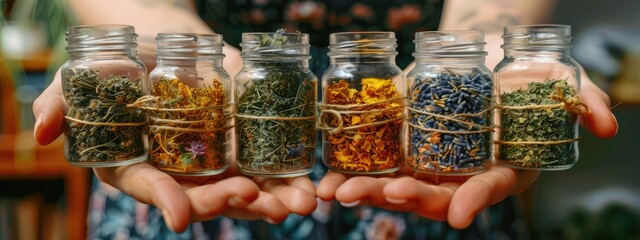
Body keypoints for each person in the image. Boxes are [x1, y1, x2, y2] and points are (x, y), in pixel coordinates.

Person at [32, 0, 618, 238]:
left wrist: (483, 52)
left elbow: (490, 12)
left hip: (423, 171)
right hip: (201, 158)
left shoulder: (393, 84)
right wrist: (176, 57)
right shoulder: (176, 82)